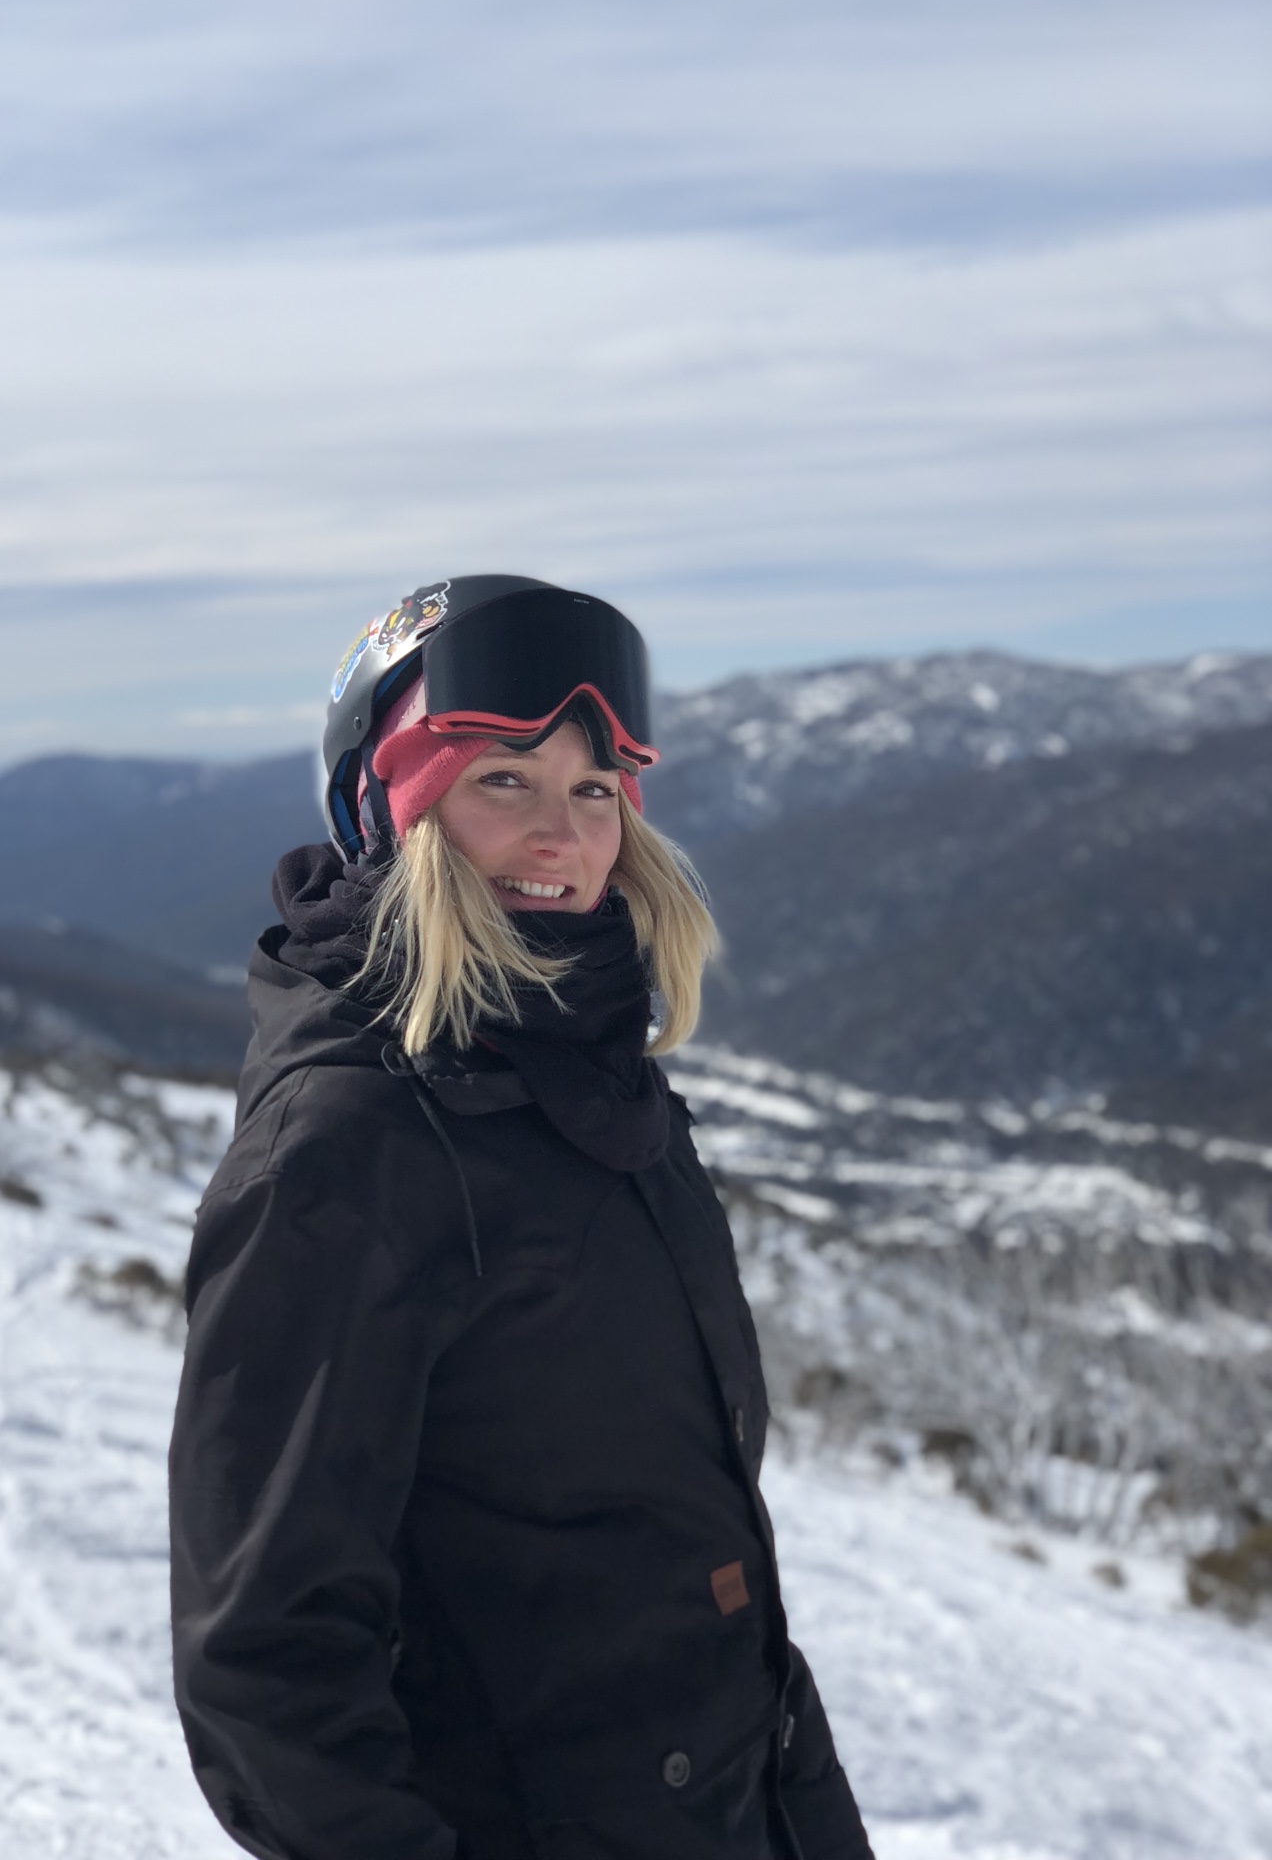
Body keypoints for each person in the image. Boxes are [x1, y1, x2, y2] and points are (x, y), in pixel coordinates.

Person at [169, 575, 873, 1860]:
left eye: (595, 790)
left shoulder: (600, 1075)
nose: (562, 836)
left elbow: (686, 1556)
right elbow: (267, 1667)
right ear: (391, 809)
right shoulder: (347, 1152)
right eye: (503, 780)